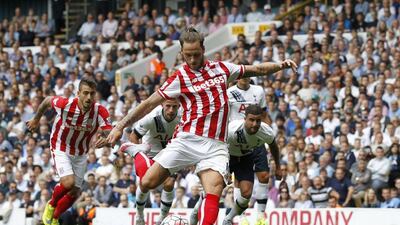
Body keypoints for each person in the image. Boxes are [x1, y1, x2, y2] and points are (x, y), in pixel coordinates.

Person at [106, 27, 297, 225]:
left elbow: (256, 70)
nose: (192, 59)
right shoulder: (180, 77)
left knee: (213, 190)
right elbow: (148, 104)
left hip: (216, 145)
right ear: (181, 53)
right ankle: (135, 151)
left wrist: (280, 65)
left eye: (196, 54)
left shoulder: (222, 69)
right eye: (187, 55)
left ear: (203, 49)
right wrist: (120, 126)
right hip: (186, 139)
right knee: (147, 182)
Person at [26, 76, 112, 225]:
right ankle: (51, 205)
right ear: (78, 93)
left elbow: (109, 131)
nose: (88, 97)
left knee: (74, 192)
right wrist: (36, 119)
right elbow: (47, 100)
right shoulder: (65, 104)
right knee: (68, 182)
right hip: (60, 146)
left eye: (92, 93)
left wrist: (108, 139)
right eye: (85, 93)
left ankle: (54, 218)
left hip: (80, 152)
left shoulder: (99, 111)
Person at [120, 99, 180, 224]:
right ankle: (139, 215)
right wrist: (140, 153)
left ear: (179, 106)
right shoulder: (152, 117)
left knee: (169, 183)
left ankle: (162, 218)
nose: (171, 110)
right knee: (145, 184)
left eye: (174, 107)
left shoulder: (183, 117)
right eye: (168, 106)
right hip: (150, 153)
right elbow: (134, 136)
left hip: (169, 154)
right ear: (162, 105)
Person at [220, 105, 279, 225]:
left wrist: (278, 166)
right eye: (251, 120)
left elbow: (274, 147)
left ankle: (228, 219)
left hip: (246, 156)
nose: (254, 124)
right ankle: (198, 212)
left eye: (258, 120)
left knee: (246, 194)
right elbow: (220, 146)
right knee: (215, 187)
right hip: (228, 155)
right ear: (245, 119)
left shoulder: (266, 131)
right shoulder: (232, 130)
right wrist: (225, 168)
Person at [227, 75, 272, 218]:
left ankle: (260, 217)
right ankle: (241, 217)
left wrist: (268, 135)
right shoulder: (230, 92)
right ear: (236, 77)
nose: (244, 78)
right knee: (239, 180)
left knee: (264, 175)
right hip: (236, 137)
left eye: (247, 75)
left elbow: (264, 114)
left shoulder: (258, 91)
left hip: (256, 136)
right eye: (241, 75)